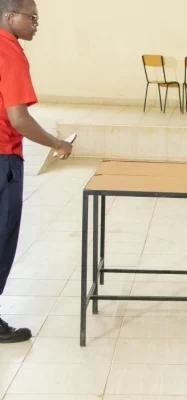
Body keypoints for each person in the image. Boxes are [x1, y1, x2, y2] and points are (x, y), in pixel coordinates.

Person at [0, 0, 72, 343]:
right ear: (9, 17)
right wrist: (56, 143)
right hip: (3, 159)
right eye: (32, 17)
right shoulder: (10, 50)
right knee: (2, 239)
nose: (36, 23)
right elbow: (19, 118)